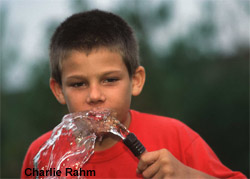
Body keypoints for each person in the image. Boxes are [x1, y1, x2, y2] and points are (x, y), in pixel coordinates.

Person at [21, 9, 246, 178]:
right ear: (59, 90)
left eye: (110, 80)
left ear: (136, 81)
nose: (95, 95)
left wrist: (189, 175)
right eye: (78, 84)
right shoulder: (43, 154)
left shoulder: (175, 138)